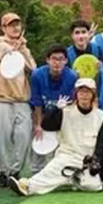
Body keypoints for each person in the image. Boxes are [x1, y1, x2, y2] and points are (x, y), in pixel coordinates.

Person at [9, 78, 103, 196]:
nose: (84, 95)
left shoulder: (100, 116)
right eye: (81, 92)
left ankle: (70, 179)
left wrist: (96, 160)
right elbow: (47, 125)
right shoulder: (65, 111)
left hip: (86, 160)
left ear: (93, 95)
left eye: (88, 92)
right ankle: (27, 186)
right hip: (67, 155)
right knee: (50, 172)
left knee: (93, 186)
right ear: (76, 94)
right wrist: (55, 110)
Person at [0, 12, 37, 187]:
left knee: (23, 137)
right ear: (3, 28)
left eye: (17, 24)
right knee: (1, 139)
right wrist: (15, 48)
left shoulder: (24, 47)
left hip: (22, 98)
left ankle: (15, 170)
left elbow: (33, 69)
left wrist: (22, 49)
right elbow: (3, 54)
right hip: (0, 98)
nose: (15, 28)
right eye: (11, 25)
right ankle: (2, 172)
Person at [30, 45, 78, 173]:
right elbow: (37, 102)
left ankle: (58, 172)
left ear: (66, 61)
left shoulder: (72, 77)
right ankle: (36, 171)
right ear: (47, 60)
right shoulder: (37, 75)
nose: (57, 63)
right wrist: (38, 124)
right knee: (39, 141)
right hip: (43, 113)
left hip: (61, 115)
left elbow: (71, 104)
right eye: (54, 59)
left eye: (61, 59)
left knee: (61, 147)